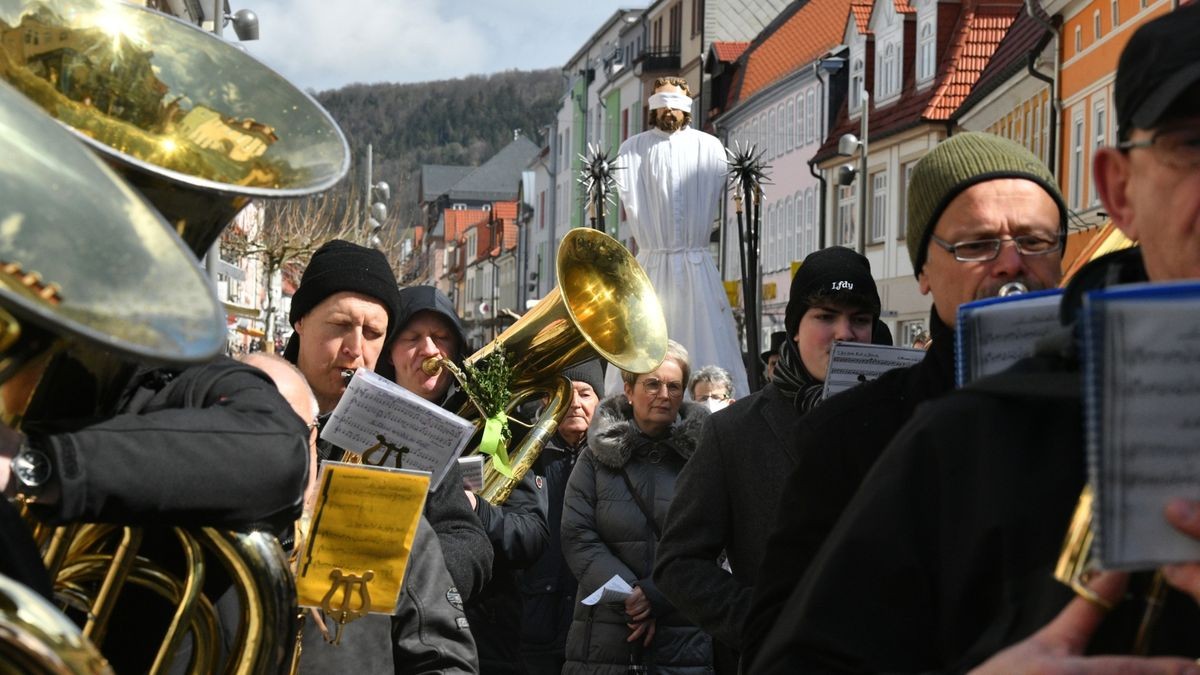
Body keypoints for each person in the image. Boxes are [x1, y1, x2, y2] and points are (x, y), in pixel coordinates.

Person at [752, 6, 1200, 671]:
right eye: (1192, 143)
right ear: (1119, 190)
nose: (1012, 263)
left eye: (1036, 240)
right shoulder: (952, 438)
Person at [741, 131, 1069, 664]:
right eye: (977, 244)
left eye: (1035, 241)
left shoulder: (1110, 401)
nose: (1011, 263)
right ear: (922, 270)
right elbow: (775, 645)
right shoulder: (851, 431)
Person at [654, 247, 885, 672]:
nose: (844, 333)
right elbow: (678, 563)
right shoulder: (736, 430)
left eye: (860, 319)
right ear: (795, 328)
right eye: (825, 316)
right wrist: (766, 623)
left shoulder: (905, 420)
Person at [285, 245, 484, 674]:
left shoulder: (408, 427)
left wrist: (402, 573)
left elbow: (469, 543)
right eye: (340, 325)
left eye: (374, 334)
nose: (355, 349)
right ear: (299, 320)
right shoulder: (253, 404)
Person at [378, 284, 548, 674]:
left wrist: (477, 510)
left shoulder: (493, 425)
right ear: (390, 350)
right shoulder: (370, 416)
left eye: (441, 338)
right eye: (412, 338)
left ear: (456, 350)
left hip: (484, 635)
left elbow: (533, 533)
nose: (429, 350)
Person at [561, 341, 713, 673]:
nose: (664, 394)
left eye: (674, 386)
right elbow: (577, 534)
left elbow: (710, 540)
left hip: (681, 632)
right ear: (629, 390)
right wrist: (629, 596)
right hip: (603, 634)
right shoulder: (595, 458)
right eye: (653, 384)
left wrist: (656, 595)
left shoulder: (703, 458)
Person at [605, 76, 748, 398]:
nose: (669, 111)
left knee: (706, 335)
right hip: (652, 263)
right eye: (662, 105)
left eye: (676, 105)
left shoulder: (709, 147)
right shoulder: (633, 150)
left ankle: (710, 399)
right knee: (646, 334)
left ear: (688, 110)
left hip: (695, 264)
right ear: (652, 110)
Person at [519, 359, 605, 675]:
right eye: (564, 392)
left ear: (599, 401)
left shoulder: (612, 458)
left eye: (585, 393)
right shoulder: (525, 454)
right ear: (548, 399)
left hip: (594, 620)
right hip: (535, 617)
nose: (575, 403)